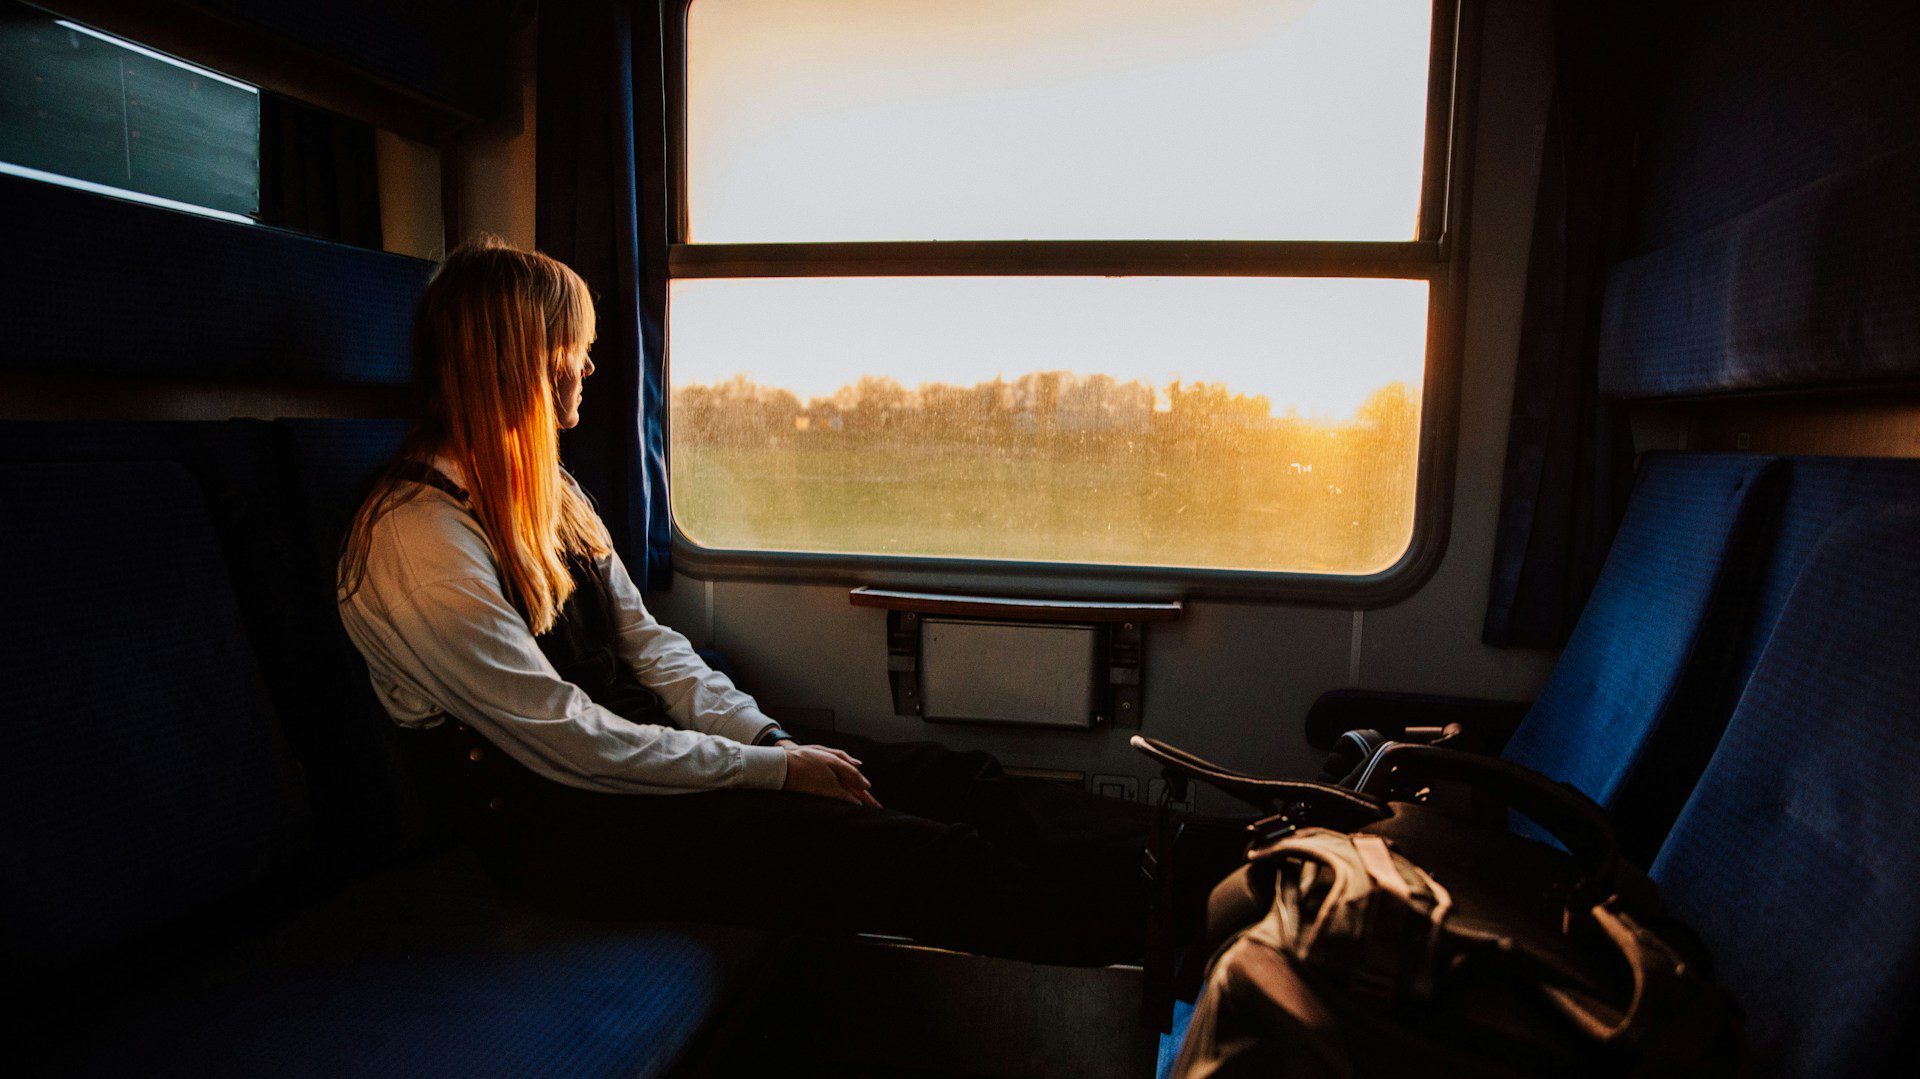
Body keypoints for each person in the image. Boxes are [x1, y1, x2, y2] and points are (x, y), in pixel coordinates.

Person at [337, 238, 1150, 964]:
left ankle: (1190, 857)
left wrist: (765, 737)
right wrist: (773, 771)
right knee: (922, 855)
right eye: (572, 348)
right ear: (519, 363)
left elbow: (648, 645)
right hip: (568, 825)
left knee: (949, 778)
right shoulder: (416, 542)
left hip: (648, 766)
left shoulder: (547, 493)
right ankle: (1171, 932)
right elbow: (566, 738)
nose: (588, 367)